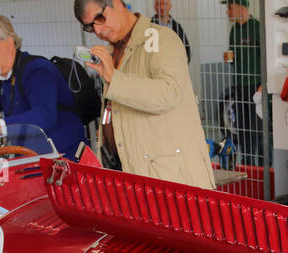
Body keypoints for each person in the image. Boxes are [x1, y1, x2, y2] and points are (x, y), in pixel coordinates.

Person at [75, 0, 215, 189]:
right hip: (129, 175)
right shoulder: (112, 52)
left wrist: (114, 79)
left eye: (100, 18)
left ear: (116, 3)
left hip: (171, 180)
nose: (98, 31)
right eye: (90, 26)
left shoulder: (161, 39)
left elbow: (168, 94)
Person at [0, 14, 86, 157]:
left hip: (62, 160)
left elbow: (44, 116)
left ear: (10, 42)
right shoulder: (2, 77)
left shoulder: (38, 70)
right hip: (30, 158)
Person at [222, 1, 263, 164]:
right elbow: (233, 58)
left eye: (230, 8)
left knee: (257, 129)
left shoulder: (257, 27)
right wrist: (228, 59)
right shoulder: (234, 30)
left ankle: (263, 165)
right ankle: (247, 163)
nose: (227, 12)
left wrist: (263, 84)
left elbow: (265, 57)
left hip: (256, 87)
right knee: (243, 128)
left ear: (241, 7)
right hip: (239, 85)